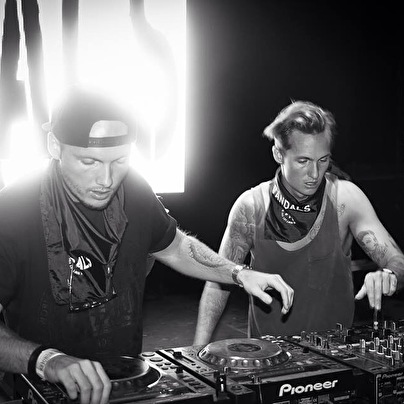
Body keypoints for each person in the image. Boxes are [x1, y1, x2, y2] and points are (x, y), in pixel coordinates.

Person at [0, 87, 294, 404]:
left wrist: (237, 273)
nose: (106, 180)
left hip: (126, 384)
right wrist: (47, 360)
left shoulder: (134, 188)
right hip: (39, 390)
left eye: (120, 160)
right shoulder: (13, 210)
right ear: (55, 145)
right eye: (89, 161)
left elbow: (176, 247)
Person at [194, 100, 404, 346]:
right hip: (268, 358)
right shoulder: (251, 207)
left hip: (335, 355)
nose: (315, 174)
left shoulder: (345, 200)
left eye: (323, 160)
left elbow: (398, 261)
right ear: (278, 154)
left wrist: (389, 275)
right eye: (303, 161)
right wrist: (196, 353)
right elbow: (218, 282)